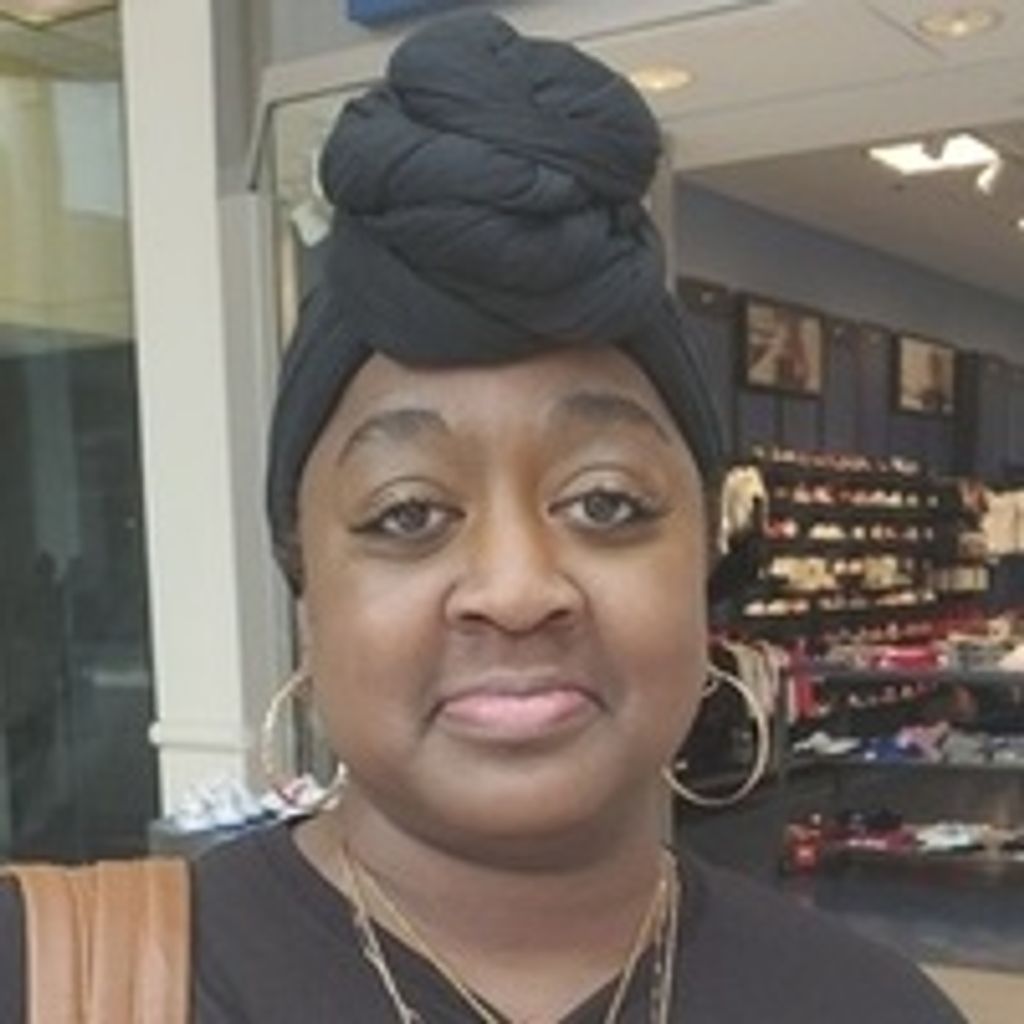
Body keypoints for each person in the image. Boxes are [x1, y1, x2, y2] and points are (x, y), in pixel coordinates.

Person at [0, 12, 965, 1023]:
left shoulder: (871, 1007)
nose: (515, 590)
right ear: (304, 583)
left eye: (605, 502)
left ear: (705, 557)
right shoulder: (47, 980)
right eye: (408, 512)